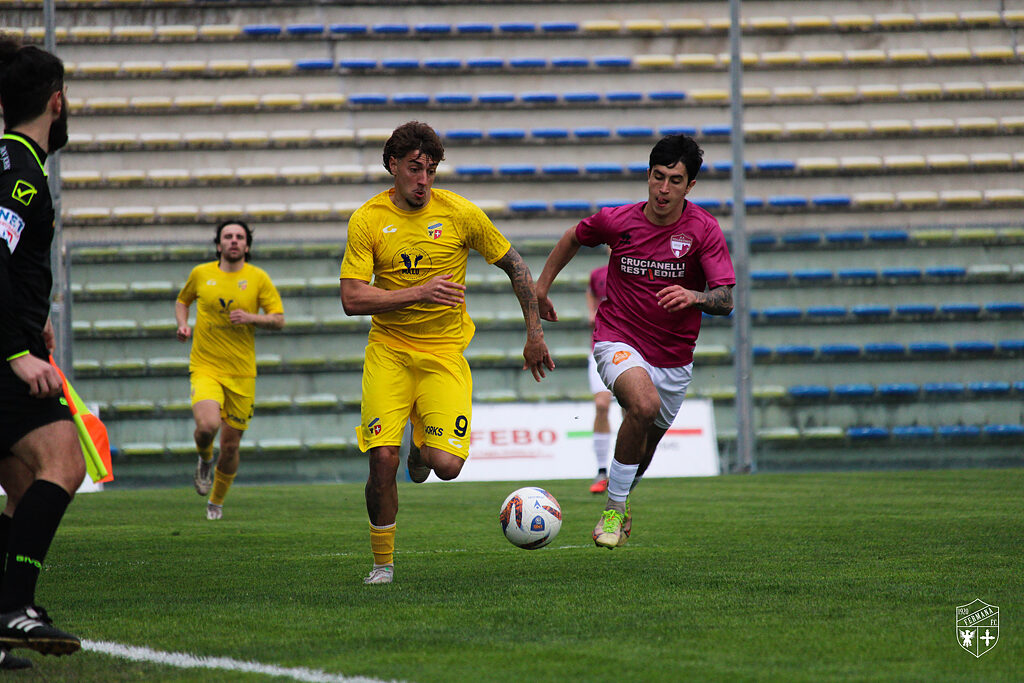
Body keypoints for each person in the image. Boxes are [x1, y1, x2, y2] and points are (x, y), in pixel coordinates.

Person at [340, 120, 554, 585]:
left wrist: (534, 333)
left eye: (431, 170)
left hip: (443, 354)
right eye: (414, 168)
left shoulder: (460, 213)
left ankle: (421, 450)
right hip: (389, 353)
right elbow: (352, 299)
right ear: (393, 165)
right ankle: (382, 565)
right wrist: (419, 292)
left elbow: (515, 264)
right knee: (381, 459)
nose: (423, 180)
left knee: (447, 466)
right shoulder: (367, 220)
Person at [535, 133, 735, 549]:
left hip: (674, 359)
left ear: (690, 186)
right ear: (647, 175)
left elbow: (725, 298)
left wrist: (695, 296)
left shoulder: (703, 230)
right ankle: (612, 510)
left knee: (644, 447)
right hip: (618, 338)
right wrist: (541, 287)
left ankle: (622, 499)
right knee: (642, 405)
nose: (664, 189)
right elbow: (573, 236)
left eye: (675, 180)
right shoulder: (618, 221)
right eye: (658, 177)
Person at [0, 37, 84, 661]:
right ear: (57, 101)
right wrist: (15, 351)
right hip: (6, 354)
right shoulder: (22, 173)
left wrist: (37, 323)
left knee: (23, 481)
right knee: (63, 461)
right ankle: (14, 607)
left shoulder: (10, 159)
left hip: (18, 336)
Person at [175, 220, 285, 520]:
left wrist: (252, 318)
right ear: (218, 244)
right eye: (228, 236)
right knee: (207, 426)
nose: (233, 240)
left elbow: (278, 319)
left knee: (231, 446)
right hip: (206, 367)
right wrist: (182, 325)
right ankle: (204, 459)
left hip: (242, 373)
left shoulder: (258, 278)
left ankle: (216, 502)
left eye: (239, 237)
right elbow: (182, 301)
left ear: (247, 246)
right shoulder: (201, 273)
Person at [585, 262, 613, 494]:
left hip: (634, 349)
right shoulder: (598, 274)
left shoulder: (641, 268)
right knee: (602, 405)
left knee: (631, 411)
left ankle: (625, 472)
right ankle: (602, 470)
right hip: (601, 349)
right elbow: (591, 293)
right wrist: (591, 312)